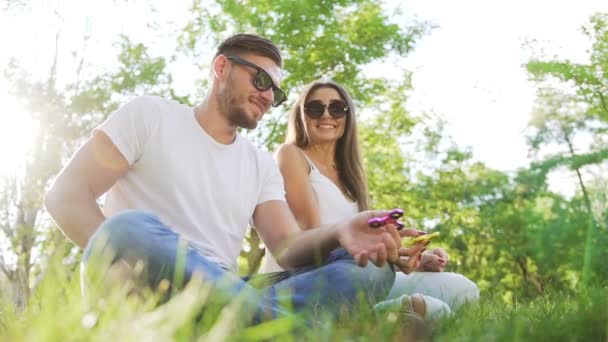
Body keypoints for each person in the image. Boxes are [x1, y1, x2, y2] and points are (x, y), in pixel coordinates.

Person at [44, 33, 409, 322]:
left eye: (276, 92)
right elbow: (65, 197)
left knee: (372, 269)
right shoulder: (149, 115)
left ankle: (240, 324)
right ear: (221, 66)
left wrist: (342, 232)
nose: (268, 96)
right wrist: (121, 261)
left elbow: (286, 248)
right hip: (150, 282)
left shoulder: (260, 164)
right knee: (126, 229)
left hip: (229, 287)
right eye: (262, 79)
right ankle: (282, 328)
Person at [260, 80, 476, 320]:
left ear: (347, 116)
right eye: (315, 108)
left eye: (336, 108)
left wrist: (405, 256)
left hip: (360, 270)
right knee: (437, 310)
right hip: (314, 277)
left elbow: (365, 247)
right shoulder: (291, 154)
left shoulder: (351, 175)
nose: (326, 115)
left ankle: (365, 316)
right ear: (301, 116)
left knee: (464, 289)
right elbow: (310, 234)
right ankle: (366, 318)